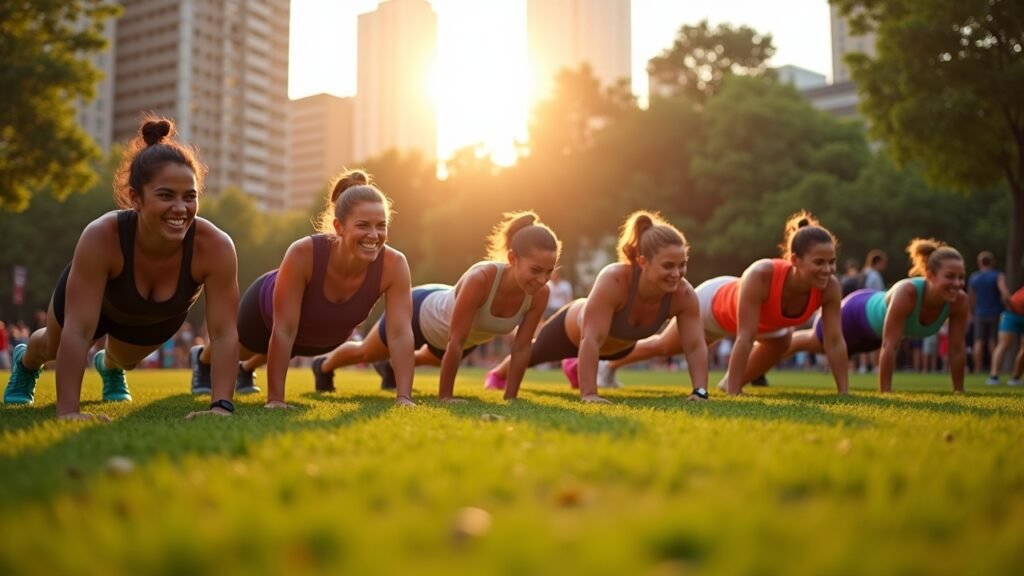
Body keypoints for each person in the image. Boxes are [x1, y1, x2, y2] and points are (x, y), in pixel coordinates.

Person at [3, 117, 240, 420]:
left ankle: (109, 368)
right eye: (165, 196)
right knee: (54, 343)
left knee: (124, 360)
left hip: (151, 315)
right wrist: (69, 412)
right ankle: (26, 361)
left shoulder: (216, 248)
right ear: (135, 199)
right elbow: (79, 331)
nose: (180, 208)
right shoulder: (101, 236)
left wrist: (221, 406)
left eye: (190, 197)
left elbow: (223, 334)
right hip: (92, 299)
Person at [190, 170, 416, 407]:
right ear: (339, 226)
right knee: (244, 348)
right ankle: (203, 358)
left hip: (321, 335)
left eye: (381, 225)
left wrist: (404, 397)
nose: (374, 235)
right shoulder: (303, 253)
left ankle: (245, 370)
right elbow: (284, 330)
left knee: (291, 344)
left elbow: (400, 333)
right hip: (263, 316)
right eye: (363, 225)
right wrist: (276, 399)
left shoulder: (395, 265)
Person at [313, 211, 558, 401]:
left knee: (428, 358)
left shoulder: (539, 293)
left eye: (549, 272)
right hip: (420, 311)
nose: (542, 280)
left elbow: (522, 348)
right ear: (513, 258)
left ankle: (390, 367)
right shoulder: (481, 280)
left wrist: (511, 397)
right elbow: (455, 341)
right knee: (366, 352)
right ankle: (323, 366)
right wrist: (446, 397)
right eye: (535, 270)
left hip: (458, 338)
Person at [600, 211, 849, 396]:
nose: (827, 270)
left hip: (756, 321)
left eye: (832, 262)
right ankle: (610, 365)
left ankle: (730, 380)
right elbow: (744, 337)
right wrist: (733, 395)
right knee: (665, 347)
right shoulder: (762, 275)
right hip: (714, 305)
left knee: (782, 340)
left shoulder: (829, 288)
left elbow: (835, 341)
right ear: (794, 260)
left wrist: (843, 393)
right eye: (819, 262)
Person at [485, 210, 709, 403]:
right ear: (643, 262)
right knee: (534, 353)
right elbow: (590, 339)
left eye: (682, 265)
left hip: (619, 348)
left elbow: (695, 346)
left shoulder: (684, 294)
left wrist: (700, 392)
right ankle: (496, 375)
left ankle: (575, 366)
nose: (677, 274)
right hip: (571, 333)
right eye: (668, 266)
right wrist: (589, 394)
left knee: (634, 348)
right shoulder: (615, 280)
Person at [788, 238, 968, 393]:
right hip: (853, 315)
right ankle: (767, 350)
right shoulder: (908, 292)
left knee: (817, 345)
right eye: (950, 277)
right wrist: (886, 394)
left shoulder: (959, 302)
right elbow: (890, 345)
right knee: (812, 343)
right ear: (930, 275)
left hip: (873, 336)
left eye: (961, 277)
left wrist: (959, 391)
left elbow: (957, 350)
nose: (957, 284)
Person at [969, 251, 1007, 376]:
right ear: (992, 262)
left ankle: (978, 369)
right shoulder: (997, 276)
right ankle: (994, 370)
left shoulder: (974, 277)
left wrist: (971, 312)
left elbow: (971, 297)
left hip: (979, 313)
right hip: (995, 312)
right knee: (993, 342)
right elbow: (1004, 294)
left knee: (978, 341)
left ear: (980, 263)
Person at [987, 285, 1024, 386]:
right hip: (1010, 314)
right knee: (1003, 345)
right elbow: (1007, 299)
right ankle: (993, 376)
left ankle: (1016, 377)